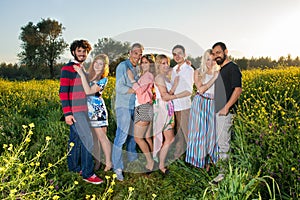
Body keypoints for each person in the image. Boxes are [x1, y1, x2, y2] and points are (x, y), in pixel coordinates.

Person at [59, 39, 103, 184]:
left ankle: (74, 168)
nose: (82, 54)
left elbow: (86, 90)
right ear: (73, 52)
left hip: (84, 110)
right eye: (79, 51)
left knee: (75, 141)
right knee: (88, 140)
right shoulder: (68, 69)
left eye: (84, 51)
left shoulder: (83, 69)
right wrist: (67, 113)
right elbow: (63, 92)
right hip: (75, 111)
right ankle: (88, 173)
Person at [73, 54, 112, 172]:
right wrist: (83, 71)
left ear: (104, 67)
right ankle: (97, 162)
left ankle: (109, 163)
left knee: (102, 137)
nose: (97, 65)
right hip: (87, 111)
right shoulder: (89, 76)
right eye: (96, 62)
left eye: (101, 64)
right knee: (94, 139)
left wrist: (81, 74)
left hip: (98, 112)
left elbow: (89, 91)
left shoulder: (103, 80)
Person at [112, 43, 144, 181]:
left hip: (135, 105)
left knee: (133, 136)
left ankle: (132, 159)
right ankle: (117, 167)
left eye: (140, 54)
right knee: (122, 136)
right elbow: (119, 87)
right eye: (135, 53)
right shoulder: (122, 66)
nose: (138, 56)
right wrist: (138, 89)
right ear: (130, 52)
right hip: (123, 106)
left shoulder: (137, 69)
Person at [211, 42, 242, 182]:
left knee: (224, 144)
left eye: (218, 52)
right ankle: (223, 170)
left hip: (225, 112)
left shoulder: (232, 68)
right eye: (214, 53)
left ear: (226, 52)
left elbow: (237, 89)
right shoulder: (221, 70)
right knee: (220, 142)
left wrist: (226, 107)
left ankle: (223, 176)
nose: (216, 55)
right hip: (219, 111)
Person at [185, 49, 219, 170]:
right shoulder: (198, 72)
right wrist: (214, 78)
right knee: (199, 133)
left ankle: (210, 161)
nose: (211, 62)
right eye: (208, 59)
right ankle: (198, 162)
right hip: (200, 103)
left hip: (213, 104)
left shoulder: (219, 72)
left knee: (212, 133)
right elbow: (201, 89)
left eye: (213, 59)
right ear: (204, 60)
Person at [153, 54, 187, 174]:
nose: (166, 65)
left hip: (167, 109)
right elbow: (165, 96)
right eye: (163, 63)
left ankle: (160, 162)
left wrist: (185, 63)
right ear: (157, 65)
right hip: (163, 110)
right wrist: (176, 86)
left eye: (167, 62)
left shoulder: (165, 77)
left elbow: (176, 69)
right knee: (170, 139)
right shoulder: (159, 78)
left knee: (169, 138)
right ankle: (161, 165)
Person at [127, 54, 155, 173]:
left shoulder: (148, 76)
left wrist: (132, 79)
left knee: (138, 138)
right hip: (143, 106)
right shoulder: (144, 75)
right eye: (142, 62)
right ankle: (155, 159)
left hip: (144, 108)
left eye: (146, 62)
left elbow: (138, 90)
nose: (143, 64)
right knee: (147, 137)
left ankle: (150, 162)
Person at [171, 45, 194, 159]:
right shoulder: (173, 70)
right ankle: (180, 158)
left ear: (185, 54)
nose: (177, 56)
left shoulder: (189, 70)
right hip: (175, 107)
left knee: (187, 134)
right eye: (174, 54)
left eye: (179, 53)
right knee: (179, 135)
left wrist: (173, 97)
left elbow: (189, 91)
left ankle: (196, 160)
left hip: (184, 106)